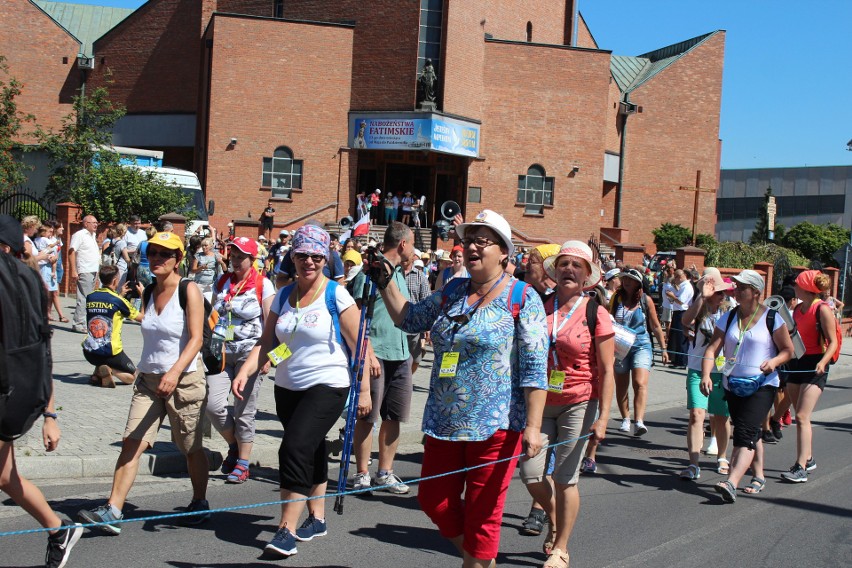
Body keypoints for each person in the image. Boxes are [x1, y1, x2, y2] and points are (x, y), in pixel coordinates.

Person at [371, 209, 548, 568]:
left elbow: (535, 365)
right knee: (434, 499)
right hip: (444, 421)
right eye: (469, 240)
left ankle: (477, 561)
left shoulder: (522, 296)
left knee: (484, 513)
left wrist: (533, 426)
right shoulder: (452, 289)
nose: (472, 247)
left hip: (496, 425)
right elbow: (410, 319)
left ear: (504, 252)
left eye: (483, 241)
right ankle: (480, 558)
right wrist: (385, 281)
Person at [232, 224, 370, 557]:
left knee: (294, 447)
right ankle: (317, 518)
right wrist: (248, 370)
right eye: (303, 255)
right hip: (288, 386)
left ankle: (286, 529)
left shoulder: (336, 294)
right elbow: (270, 342)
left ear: (326, 258)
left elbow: (360, 343)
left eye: (317, 256)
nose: (309, 261)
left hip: (329, 383)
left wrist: (364, 390)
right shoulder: (282, 295)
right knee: (312, 446)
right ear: (292, 257)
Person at [78, 232, 211, 533]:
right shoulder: (149, 291)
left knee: (190, 447)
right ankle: (113, 511)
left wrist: (174, 372)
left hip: (185, 380)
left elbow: (197, 339)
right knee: (131, 442)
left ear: (178, 259)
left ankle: (200, 501)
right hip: (149, 381)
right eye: (152, 253)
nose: (157, 259)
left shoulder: (189, 290)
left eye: (165, 254)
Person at [519, 241, 614, 568]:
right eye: (564, 264)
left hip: (580, 399)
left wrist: (603, 418)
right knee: (530, 472)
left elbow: (607, 370)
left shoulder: (595, 312)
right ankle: (555, 515)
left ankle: (561, 547)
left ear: (587, 275)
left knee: (565, 477)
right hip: (541, 399)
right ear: (555, 271)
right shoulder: (538, 304)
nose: (569, 270)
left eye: (577, 265)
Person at [0, 216, 84, 568]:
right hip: (12, 396)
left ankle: (58, 529)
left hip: (7, 395)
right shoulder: (26, 280)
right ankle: (57, 529)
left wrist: (51, 415)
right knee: (5, 476)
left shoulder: (21, 284)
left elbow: (40, 351)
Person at [702, 270, 794, 503]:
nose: (737, 290)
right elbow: (712, 349)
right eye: (736, 286)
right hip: (733, 384)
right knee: (750, 430)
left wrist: (774, 361)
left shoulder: (772, 318)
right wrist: (706, 375)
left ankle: (731, 482)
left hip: (762, 385)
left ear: (755, 292)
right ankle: (759, 475)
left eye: (742, 287)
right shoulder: (729, 316)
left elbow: (788, 351)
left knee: (744, 434)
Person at [203, 236, 275, 484]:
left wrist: (267, 357)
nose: (234, 260)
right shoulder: (222, 281)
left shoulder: (263, 285)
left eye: (240, 257)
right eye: (232, 255)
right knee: (213, 405)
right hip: (222, 353)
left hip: (250, 354)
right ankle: (234, 445)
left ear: (252, 260)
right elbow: (212, 315)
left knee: (245, 411)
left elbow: (270, 325)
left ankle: (243, 464)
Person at [350, 222, 414, 494]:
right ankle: (362, 472)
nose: (414, 249)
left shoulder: (400, 273)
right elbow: (356, 316)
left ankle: (384, 472)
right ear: (402, 244)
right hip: (375, 355)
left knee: (394, 416)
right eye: (412, 243)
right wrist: (368, 353)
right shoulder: (371, 272)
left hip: (400, 354)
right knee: (366, 416)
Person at [779, 270, 838, 482]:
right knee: (798, 414)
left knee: (802, 417)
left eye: (797, 284)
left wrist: (823, 362)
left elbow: (833, 342)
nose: (793, 286)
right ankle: (809, 458)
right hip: (796, 363)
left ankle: (800, 467)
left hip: (815, 365)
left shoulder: (821, 309)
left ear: (805, 288)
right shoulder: (796, 310)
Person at [679, 268, 733, 480]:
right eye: (715, 291)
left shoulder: (730, 310)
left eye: (720, 292)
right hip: (696, 367)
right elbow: (685, 321)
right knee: (696, 415)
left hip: (722, 370)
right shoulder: (698, 307)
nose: (719, 296)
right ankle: (693, 464)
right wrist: (702, 296)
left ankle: (722, 456)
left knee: (720, 416)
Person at [609, 267, 668, 436]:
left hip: (641, 344)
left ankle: (639, 421)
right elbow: (608, 318)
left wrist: (663, 348)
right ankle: (625, 418)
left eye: (630, 279)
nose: (626, 281)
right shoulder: (616, 299)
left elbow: (656, 325)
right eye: (624, 278)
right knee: (621, 384)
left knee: (640, 382)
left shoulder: (645, 300)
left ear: (638, 283)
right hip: (620, 345)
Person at [83, 264, 144, 388]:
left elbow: (107, 307)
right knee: (133, 377)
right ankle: (110, 370)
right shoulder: (118, 301)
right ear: (115, 280)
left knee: (99, 347)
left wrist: (119, 294)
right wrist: (143, 296)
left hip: (89, 351)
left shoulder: (90, 297)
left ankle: (97, 375)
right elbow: (142, 318)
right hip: (111, 353)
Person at [69, 215, 101, 334]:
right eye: (93, 222)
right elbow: (71, 251)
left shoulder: (92, 236)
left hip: (93, 270)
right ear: (85, 223)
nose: (96, 225)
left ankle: (83, 323)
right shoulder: (79, 235)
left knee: (88, 298)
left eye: (96, 222)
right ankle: (78, 324)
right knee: (83, 298)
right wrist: (73, 269)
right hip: (85, 270)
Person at [403, 251, 431, 374]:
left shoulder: (420, 277)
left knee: (416, 359)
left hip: (414, 325)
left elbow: (426, 301)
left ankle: (407, 376)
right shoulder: (394, 274)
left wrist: (428, 326)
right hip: (395, 323)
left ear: (413, 258)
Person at [666, 269, 694, 368]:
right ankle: (676, 359)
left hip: (682, 313)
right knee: (676, 337)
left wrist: (672, 296)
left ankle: (682, 361)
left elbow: (681, 301)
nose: (675, 279)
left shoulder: (686, 287)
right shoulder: (682, 287)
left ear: (683, 276)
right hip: (678, 312)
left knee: (681, 337)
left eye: (677, 276)